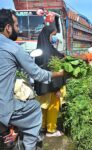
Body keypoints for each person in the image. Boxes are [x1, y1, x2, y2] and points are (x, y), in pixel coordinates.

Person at [0, 8, 65, 150]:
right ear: (8, 28)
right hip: (2, 108)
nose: (19, 29)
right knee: (35, 108)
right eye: (17, 25)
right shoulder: (13, 48)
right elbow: (38, 74)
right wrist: (60, 74)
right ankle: (30, 147)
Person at [34, 23, 65, 137]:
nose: (55, 37)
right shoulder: (50, 52)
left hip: (42, 85)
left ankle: (42, 127)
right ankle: (51, 130)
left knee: (43, 106)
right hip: (52, 85)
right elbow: (53, 69)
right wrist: (57, 88)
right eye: (53, 35)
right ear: (47, 35)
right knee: (53, 107)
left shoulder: (40, 49)